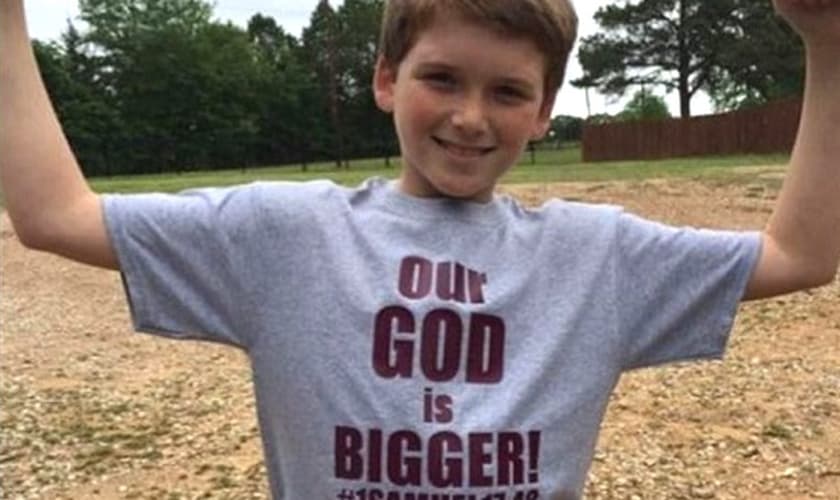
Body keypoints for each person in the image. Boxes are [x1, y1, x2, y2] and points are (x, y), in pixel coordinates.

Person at [1, 0, 838, 497]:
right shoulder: (280, 235)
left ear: (545, 112)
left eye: (508, 91)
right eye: (442, 78)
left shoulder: (599, 258)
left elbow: (802, 253)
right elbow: (54, 214)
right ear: (387, 79)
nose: (472, 117)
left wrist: (828, 45)